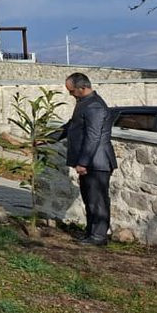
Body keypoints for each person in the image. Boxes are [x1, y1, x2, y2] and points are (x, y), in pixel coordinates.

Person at [57, 72, 118, 246]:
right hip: (92, 162)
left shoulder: (94, 106)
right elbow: (71, 126)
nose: (70, 94)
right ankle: (91, 234)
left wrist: (83, 162)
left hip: (97, 162)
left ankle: (98, 237)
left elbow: (93, 137)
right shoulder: (85, 103)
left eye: (71, 91)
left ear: (82, 88)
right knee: (90, 200)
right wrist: (45, 138)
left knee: (97, 201)